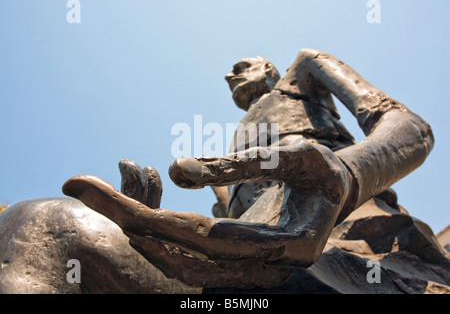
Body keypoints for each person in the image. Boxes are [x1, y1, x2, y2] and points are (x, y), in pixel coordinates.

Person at [62, 48, 435, 288]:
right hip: (262, 247)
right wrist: (161, 236)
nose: (230, 77)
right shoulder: (236, 146)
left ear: (270, 69)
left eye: (241, 68)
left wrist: (346, 175)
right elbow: (228, 228)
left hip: (351, 215)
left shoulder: (304, 68)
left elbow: (412, 129)